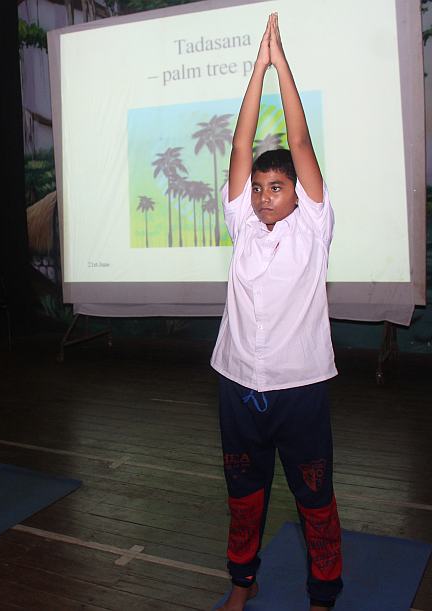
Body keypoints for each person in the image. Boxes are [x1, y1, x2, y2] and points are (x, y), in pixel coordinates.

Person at [211, 14, 342, 611]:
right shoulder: (242, 224)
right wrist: (254, 71)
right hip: (238, 382)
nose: (264, 197)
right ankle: (243, 582)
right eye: (259, 188)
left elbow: (302, 142)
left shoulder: (313, 225)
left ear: (298, 193)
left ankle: (323, 594)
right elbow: (240, 145)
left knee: (314, 498)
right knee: (244, 496)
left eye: (276, 188)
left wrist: (279, 63)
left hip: (300, 387)